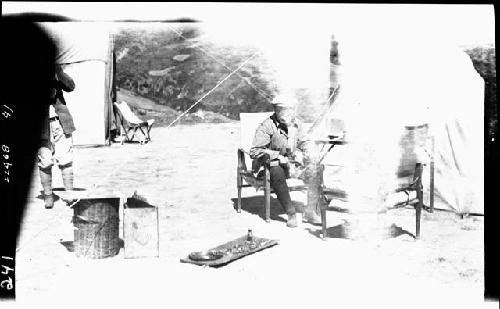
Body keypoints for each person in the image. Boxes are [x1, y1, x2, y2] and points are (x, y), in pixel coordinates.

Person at [249, 93, 322, 227]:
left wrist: (309, 153)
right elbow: (255, 151)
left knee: (316, 169)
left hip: (291, 165)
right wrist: (277, 156)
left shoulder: (296, 124)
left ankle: (310, 211)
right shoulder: (267, 126)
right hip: (267, 165)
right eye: (282, 110)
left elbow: (304, 142)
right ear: (276, 110)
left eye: (290, 110)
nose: (286, 113)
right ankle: (291, 212)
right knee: (276, 170)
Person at [38, 65, 76, 209]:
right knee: (45, 161)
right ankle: (48, 196)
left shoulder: (56, 70)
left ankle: (69, 194)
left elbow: (71, 86)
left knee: (66, 159)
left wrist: (58, 72)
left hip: (61, 123)